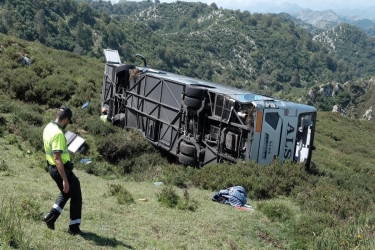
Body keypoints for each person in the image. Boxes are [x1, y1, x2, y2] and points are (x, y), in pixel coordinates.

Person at [43, 105, 84, 235]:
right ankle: (74, 228)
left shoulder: (48, 127)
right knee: (75, 193)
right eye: (68, 121)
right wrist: (65, 180)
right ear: (65, 119)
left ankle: (50, 217)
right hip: (61, 169)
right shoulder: (59, 134)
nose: (68, 124)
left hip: (51, 168)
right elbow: (58, 158)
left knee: (66, 193)